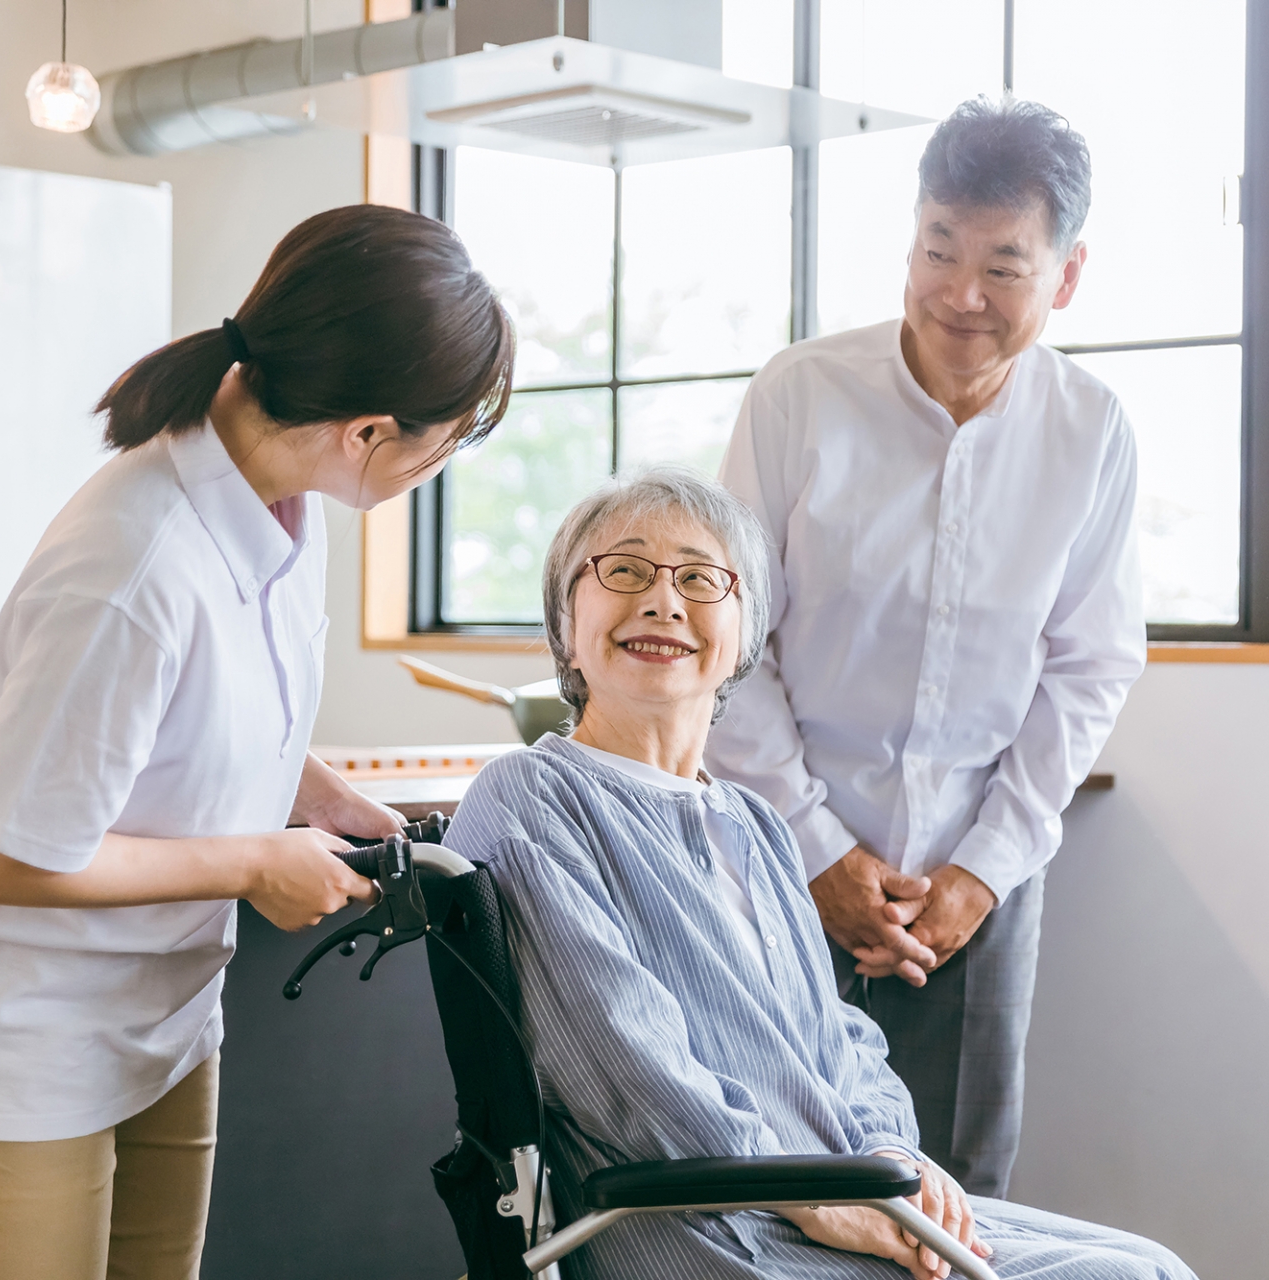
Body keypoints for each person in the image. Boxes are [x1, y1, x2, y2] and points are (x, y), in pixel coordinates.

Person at [0, 205, 513, 1280]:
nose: (436, 465)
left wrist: (312, 790)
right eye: (442, 441)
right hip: (28, 1039)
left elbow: (194, 707)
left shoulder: (283, 500)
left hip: (168, 1014)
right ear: (365, 430)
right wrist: (253, 860)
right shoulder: (134, 564)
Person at [443, 468, 1188, 1280]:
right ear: (565, 617)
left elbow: (841, 1042)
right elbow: (623, 1063)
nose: (663, 602)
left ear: (744, 638)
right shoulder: (530, 797)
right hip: (703, 1225)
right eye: (625, 571)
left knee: (1149, 1265)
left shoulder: (754, 823)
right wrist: (816, 1198)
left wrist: (892, 1158)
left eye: (700, 579)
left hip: (833, 1194)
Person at [704, 97, 1145, 1198]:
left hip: (977, 888)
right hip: (775, 867)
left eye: (1004, 265)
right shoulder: (800, 394)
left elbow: (1090, 663)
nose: (961, 294)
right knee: (767, 1183)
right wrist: (816, 849)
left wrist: (981, 874)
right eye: (938, 249)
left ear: (1067, 275)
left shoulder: (1091, 430)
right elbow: (730, 636)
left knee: (958, 1197)